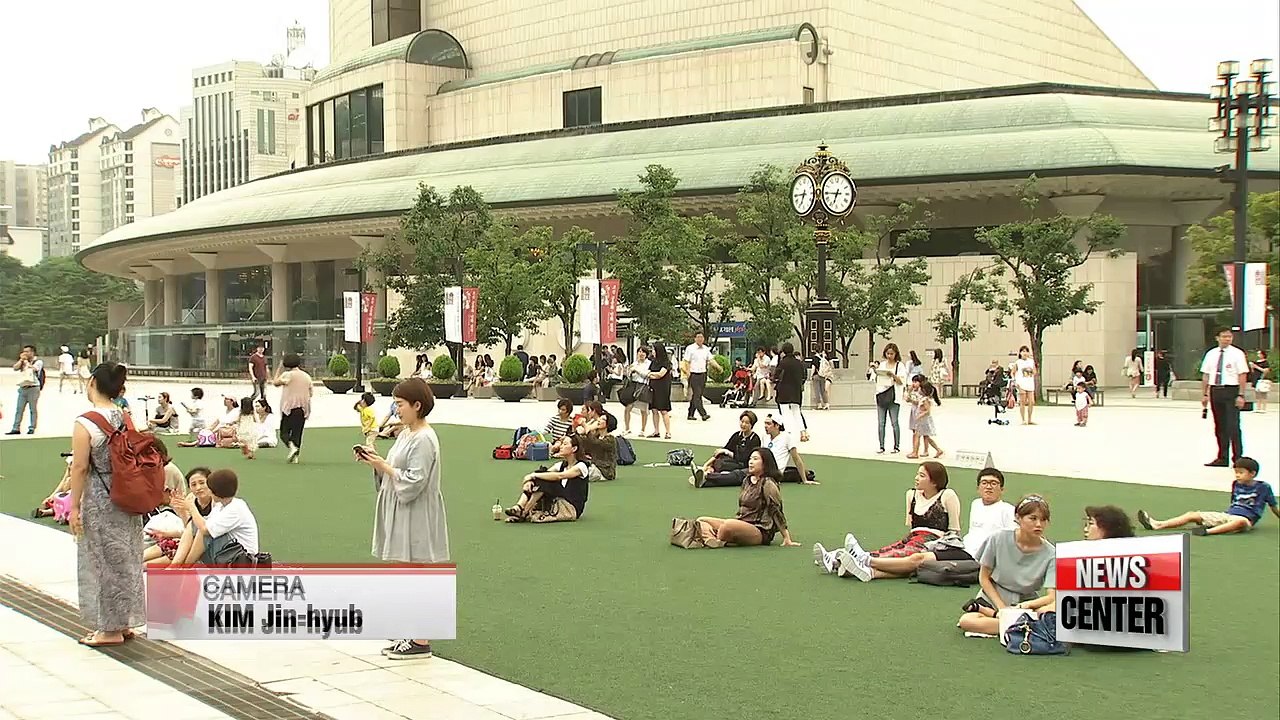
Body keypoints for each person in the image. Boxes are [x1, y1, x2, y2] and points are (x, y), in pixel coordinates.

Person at [356, 377, 448, 660]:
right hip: (402, 506)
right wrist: (377, 462)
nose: (397, 410)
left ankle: (420, 638)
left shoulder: (423, 438)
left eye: (400, 404)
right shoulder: (407, 433)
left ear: (417, 405)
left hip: (416, 509)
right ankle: (410, 630)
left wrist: (383, 466)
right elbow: (397, 468)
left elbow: (415, 479)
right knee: (405, 569)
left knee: (416, 570)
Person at [67, 360, 145, 647]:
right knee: (127, 558)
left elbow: (79, 468)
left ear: (92, 383)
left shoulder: (86, 421)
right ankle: (124, 622)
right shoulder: (124, 417)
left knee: (101, 561)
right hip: (128, 495)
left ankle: (109, 629)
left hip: (101, 500)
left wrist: (74, 506)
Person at [813, 461, 963, 580]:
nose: (916, 478)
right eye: (917, 474)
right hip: (913, 537)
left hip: (934, 541)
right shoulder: (911, 495)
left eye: (922, 475)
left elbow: (954, 529)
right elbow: (911, 526)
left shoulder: (947, 495)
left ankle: (839, 557)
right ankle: (837, 561)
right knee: (889, 550)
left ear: (935, 481)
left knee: (900, 555)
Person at [955, 495, 1056, 638]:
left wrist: (1026, 605)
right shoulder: (998, 538)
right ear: (1018, 518)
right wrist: (1001, 608)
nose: (1039, 524)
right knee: (967, 621)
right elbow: (984, 578)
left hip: (1025, 602)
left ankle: (1008, 623)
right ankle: (1018, 626)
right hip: (993, 596)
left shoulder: (1051, 553)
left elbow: (1052, 596)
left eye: (1043, 519)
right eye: (1033, 518)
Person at [1138, 457, 1277, 535]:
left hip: (1246, 520)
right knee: (1192, 514)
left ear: (1252, 473)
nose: (1237, 475)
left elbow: (1274, 507)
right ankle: (1158, 524)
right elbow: (1233, 504)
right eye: (1236, 472)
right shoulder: (1236, 484)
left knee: (1239, 522)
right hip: (1227, 516)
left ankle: (1208, 531)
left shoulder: (1264, 487)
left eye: (1241, 472)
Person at [693, 448, 799, 548]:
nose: (751, 462)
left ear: (765, 463)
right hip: (741, 522)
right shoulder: (747, 480)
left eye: (755, 459)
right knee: (701, 520)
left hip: (759, 530)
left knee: (728, 525)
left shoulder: (768, 484)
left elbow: (776, 510)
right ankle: (713, 540)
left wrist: (786, 537)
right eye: (750, 459)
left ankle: (715, 537)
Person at [499, 432, 591, 523]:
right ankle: (519, 506)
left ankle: (524, 512)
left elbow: (560, 476)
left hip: (571, 507)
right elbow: (543, 474)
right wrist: (530, 480)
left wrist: (533, 475)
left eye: (565, 444)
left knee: (545, 479)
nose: (561, 446)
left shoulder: (581, 466)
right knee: (542, 475)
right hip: (560, 499)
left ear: (574, 448)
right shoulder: (561, 465)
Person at [182, 469, 259, 566]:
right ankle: (176, 566)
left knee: (204, 532)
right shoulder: (220, 506)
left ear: (216, 492)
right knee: (195, 524)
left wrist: (191, 507)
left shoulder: (236, 508)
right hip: (229, 552)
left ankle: (185, 567)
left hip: (242, 558)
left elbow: (205, 530)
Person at [1199, 327, 1250, 466]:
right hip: (1216, 390)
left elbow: (1242, 374)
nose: (1227, 339)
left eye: (1229, 336)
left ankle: (1238, 457)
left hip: (1231, 390)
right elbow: (1206, 375)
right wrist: (1205, 394)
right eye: (1224, 336)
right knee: (1220, 426)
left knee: (1233, 425)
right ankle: (1222, 457)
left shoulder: (1237, 354)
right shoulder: (1211, 354)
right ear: (1217, 338)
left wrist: (1241, 394)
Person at [144, 467, 214, 566]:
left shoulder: (216, 501)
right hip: (191, 541)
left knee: (175, 550)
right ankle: (136, 561)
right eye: (193, 484)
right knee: (168, 543)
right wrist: (181, 512)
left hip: (208, 544)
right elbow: (189, 529)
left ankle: (145, 567)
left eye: (202, 483)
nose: (198, 488)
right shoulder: (191, 498)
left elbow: (204, 530)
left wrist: (191, 508)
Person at [696, 410, 761, 479]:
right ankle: (707, 470)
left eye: (747, 423)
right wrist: (706, 464)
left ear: (752, 425)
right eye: (742, 422)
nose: (743, 424)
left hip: (744, 466)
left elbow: (744, 459)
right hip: (733, 462)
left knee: (724, 465)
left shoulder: (755, 439)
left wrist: (727, 452)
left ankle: (708, 475)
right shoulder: (736, 435)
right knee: (720, 459)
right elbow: (723, 450)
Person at [868, 343, 908, 454]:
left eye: (892, 353)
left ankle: (896, 446)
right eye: (888, 353)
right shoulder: (882, 365)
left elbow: (901, 382)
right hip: (881, 394)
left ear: (896, 354)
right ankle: (881, 446)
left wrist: (893, 375)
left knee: (894, 422)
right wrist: (874, 370)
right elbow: (875, 378)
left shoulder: (899, 366)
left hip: (894, 396)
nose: (889, 355)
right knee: (881, 423)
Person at [273, 353, 313, 464]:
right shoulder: (306, 376)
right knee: (298, 433)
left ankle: (292, 447)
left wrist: (279, 367)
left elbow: (275, 382)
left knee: (284, 432)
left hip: (290, 407)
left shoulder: (288, 375)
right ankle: (295, 457)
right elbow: (311, 392)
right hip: (303, 408)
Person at [774, 342, 809, 442]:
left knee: (785, 413)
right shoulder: (798, 363)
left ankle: (788, 434)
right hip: (796, 391)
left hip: (784, 391)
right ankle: (803, 433)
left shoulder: (783, 363)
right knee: (796, 412)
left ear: (784, 351)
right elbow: (804, 376)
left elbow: (776, 375)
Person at [575, 402, 618, 482]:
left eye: (603, 419)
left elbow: (596, 443)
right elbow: (584, 444)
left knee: (577, 475)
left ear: (608, 424)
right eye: (600, 418)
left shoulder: (610, 439)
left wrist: (585, 427)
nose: (599, 420)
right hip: (594, 466)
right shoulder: (597, 436)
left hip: (604, 471)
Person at [683, 331, 718, 422]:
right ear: (695, 338)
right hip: (693, 374)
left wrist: (718, 367)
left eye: (701, 337)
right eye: (698, 337)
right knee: (697, 395)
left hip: (703, 374)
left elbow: (711, 360)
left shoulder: (706, 349)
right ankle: (703, 414)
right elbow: (686, 361)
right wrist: (687, 373)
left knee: (697, 395)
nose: (700, 339)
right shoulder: (690, 348)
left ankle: (690, 414)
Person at [8, 344, 43, 435]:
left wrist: (27, 362)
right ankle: (16, 427)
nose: (25, 353)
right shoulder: (23, 362)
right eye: (24, 352)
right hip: (23, 387)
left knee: (33, 409)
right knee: (19, 409)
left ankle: (32, 427)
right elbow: (15, 368)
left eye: (27, 351)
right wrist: (21, 360)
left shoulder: (38, 361)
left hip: (33, 387)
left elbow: (35, 369)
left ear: (32, 352)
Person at [906, 375, 943, 458]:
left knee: (917, 435)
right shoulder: (923, 398)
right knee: (925, 436)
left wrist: (920, 415)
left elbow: (927, 411)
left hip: (922, 419)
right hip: (921, 418)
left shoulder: (925, 399)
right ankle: (938, 449)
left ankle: (915, 452)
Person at [621, 346, 652, 436]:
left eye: (643, 352)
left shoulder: (649, 364)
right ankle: (627, 428)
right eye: (639, 352)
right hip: (633, 386)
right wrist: (628, 371)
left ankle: (643, 429)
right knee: (628, 408)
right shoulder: (634, 363)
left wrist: (637, 370)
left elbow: (647, 374)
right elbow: (629, 375)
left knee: (643, 409)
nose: (641, 354)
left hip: (643, 386)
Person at [647, 342, 673, 439]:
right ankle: (656, 431)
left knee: (663, 410)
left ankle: (668, 431)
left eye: (654, 350)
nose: (652, 352)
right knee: (654, 410)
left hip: (663, 389)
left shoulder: (666, 362)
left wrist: (651, 375)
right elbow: (649, 372)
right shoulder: (653, 362)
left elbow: (660, 374)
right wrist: (652, 374)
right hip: (653, 388)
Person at [1013, 345, 1037, 425]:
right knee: (1022, 402)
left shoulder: (1031, 361)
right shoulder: (1018, 362)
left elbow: (1034, 371)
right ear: (1020, 353)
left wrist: (1030, 371)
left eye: (1026, 351)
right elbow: (1013, 372)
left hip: (1029, 383)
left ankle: (1029, 419)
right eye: (1023, 351)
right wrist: (1015, 381)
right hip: (1021, 383)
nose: (1025, 353)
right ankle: (1023, 419)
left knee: (1031, 402)